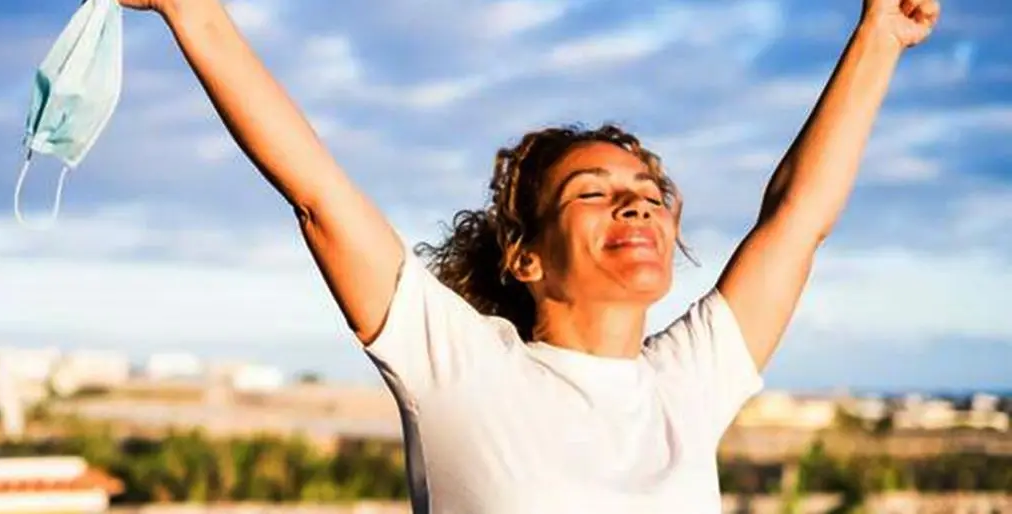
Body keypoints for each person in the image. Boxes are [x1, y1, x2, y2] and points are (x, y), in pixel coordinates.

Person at [119, 0, 940, 511]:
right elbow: (321, 199)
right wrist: (194, 12)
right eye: (593, 190)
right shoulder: (462, 367)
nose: (639, 201)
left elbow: (795, 221)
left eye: (649, 189)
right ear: (526, 259)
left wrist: (879, 34)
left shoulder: (687, 384)